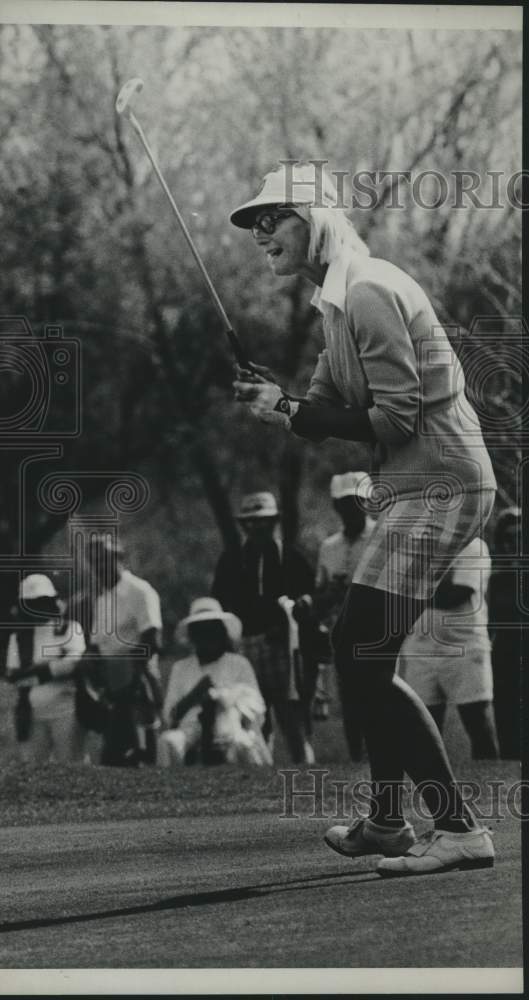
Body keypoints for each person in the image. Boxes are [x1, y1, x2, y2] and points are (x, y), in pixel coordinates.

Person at [230, 161, 497, 876]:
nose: (260, 233)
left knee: (359, 644)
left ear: (314, 219)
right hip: (415, 485)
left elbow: (393, 415)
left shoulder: (370, 289)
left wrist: (290, 409)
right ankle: (386, 821)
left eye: (273, 217)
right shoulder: (336, 301)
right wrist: (276, 400)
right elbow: (320, 411)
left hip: (442, 480)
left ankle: (458, 827)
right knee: (364, 648)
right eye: (255, 223)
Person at [212, 491, 317, 764]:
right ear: (244, 525)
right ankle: (261, 770)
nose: (258, 527)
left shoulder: (290, 556)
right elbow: (220, 601)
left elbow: (309, 594)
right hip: (244, 644)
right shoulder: (232, 560)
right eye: (252, 522)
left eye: (265, 522)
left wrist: (302, 605)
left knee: (290, 714)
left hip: (282, 644)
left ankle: (305, 768)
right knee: (254, 715)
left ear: (275, 522)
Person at [398, 538, 499, 759]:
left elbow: (453, 596)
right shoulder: (415, 544)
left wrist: (414, 585)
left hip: (464, 646)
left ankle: (492, 786)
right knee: (422, 728)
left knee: (478, 723)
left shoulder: (474, 546)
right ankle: (428, 790)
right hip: (420, 646)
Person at [159, 597, 270, 767]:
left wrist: (222, 699)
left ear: (221, 633)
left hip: (230, 727)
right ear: (193, 635)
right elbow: (170, 716)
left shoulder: (238, 663)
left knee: (240, 745)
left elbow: (257, 709)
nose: (207, 637)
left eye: (212, 630)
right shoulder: (181, 668)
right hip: (190, 729)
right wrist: (194, 696)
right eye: (201, 631)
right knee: (167, 742)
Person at [83, 535, 163, 767]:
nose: (99, 567)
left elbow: (152, 640)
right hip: (111, 681)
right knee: (114, 754)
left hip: (137, 678)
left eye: (104, 560)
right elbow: (97, 644)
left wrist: (128, 677)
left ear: (120, 559)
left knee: (143, 751)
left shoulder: (140, 591)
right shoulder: (102, 599)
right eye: (94, 562)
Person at [314, 471, 376, 758]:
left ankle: (387, 756)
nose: (352, 509)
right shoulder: (329, 547)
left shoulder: (382, 536)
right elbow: (321, 595)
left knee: (382, 696)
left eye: (357, 501)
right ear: (337, 507)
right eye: (345, 503)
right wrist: (333, 592)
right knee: (350, 700)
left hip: (379, 627)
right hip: (343, 630)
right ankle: (357, 757)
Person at [4, 574, 86, 763]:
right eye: (32, 603)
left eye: (42, 601)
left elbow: (75, 664)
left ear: (52, 601)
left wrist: (38, 671)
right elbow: (14, 675)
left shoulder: (70, 629)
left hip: (67, 712)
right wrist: (52, 669)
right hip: (31, 713)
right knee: (33, 769)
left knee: (70, 767)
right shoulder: (19, 637)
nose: (38, 608)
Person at [488, 507, 521, 759]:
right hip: (504, 655)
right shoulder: (494, 578)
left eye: (519, 538)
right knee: (507, 724)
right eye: (508, 539)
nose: (513, 545)